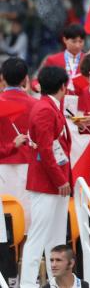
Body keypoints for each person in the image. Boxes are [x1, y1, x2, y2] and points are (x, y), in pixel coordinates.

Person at [20, 66, 72, 288]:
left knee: (56, 240)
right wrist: (60, 179)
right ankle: (28, 285)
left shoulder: (51, 107)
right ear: (63, 86)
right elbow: (46, 149)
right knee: (38, 237)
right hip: (47, 183)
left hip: (55, 181)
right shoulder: (45, 109)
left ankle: (56, 283)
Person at [0, 57, 37, 221]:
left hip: (3, 163)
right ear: (25, 79)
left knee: (5, 216)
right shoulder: (36, 104)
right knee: (27, 216)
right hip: (28, 165)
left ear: (2, 78)